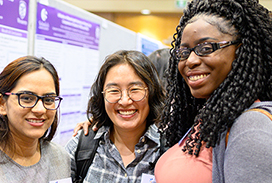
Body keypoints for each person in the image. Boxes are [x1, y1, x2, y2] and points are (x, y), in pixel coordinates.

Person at [154, 0, 272, 183]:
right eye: (184, 52)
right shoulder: (209, 119)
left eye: (206, 48)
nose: (190, 60)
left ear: (241, 52)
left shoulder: (250, 127)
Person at [65, 50, 165, 183]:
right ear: (102, 96)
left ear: (152, 92)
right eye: (114, 91)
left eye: (135, 89)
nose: (124, 101)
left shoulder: (166, 150)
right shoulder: (81, 146)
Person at [0, 56, 71, 182]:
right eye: (27, 98)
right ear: (2, 104)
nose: (40, 110)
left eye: (48, 100)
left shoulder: (60, 157)